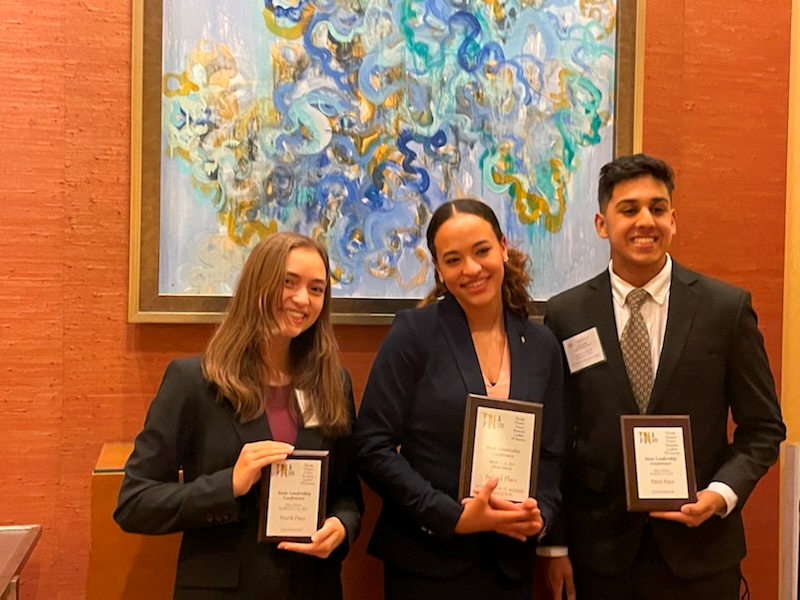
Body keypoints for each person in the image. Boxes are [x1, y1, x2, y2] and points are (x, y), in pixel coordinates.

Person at [539, 154, 786, 599]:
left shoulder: (725, 309)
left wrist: (721, 494)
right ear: (602, 224)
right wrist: (554, 545)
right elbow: (555, 437)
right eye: (629, 209)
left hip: (702, 551)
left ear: (673, 220)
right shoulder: (566, 314)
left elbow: (764, 428)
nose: (645, 221)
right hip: (600, 553)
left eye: (657, 208)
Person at [114, 232, 364, 599]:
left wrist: (341, 526)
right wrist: (228, 485)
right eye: (288, 282)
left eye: (316, 289)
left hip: (313, 587)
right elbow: (134, 503)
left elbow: (347, 495)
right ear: (256, 284)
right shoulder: (194, 382)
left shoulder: (333, 383)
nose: (302, 299)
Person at [354, 198, 564, 599]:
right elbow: (370, 446)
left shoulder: (541, 345)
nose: (471, 268)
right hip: (428, 562)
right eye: (453, 260)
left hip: (510, 566)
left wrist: (540, 516)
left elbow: (551, 454)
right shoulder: (414, 334)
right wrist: (450, 516)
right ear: (438, 268)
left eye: (482, 251)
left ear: (503, 248)